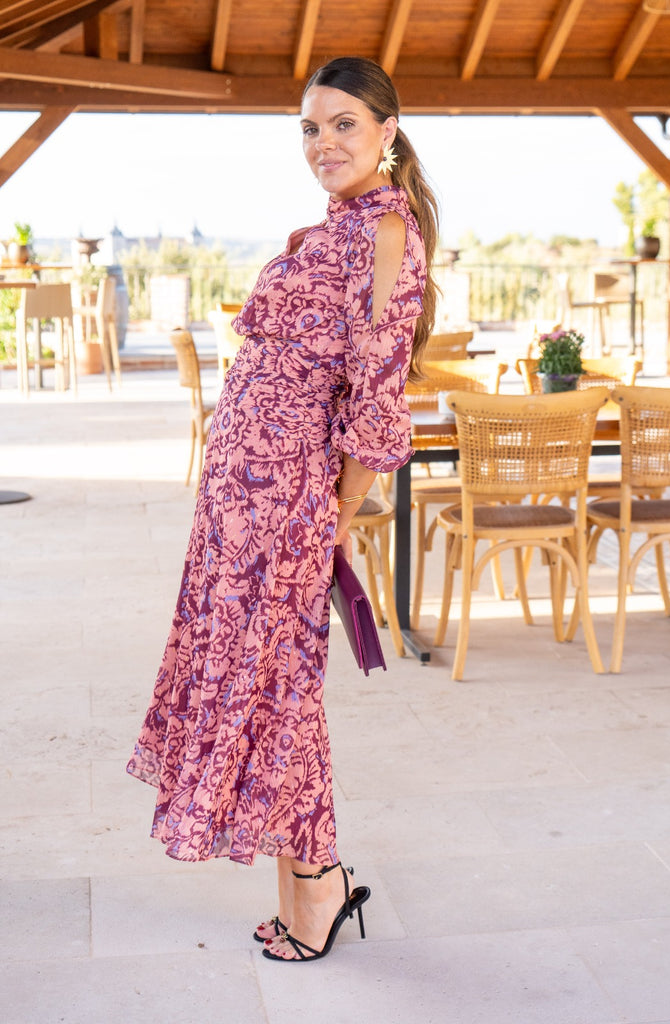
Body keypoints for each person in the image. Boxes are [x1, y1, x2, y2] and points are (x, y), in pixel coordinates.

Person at [126, 55, 439, 963]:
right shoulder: (335, 227)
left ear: (387, 130)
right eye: (310, 127)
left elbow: (379, 396)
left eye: (344, 124)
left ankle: (320, 884)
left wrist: (340, 510)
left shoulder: (389, 234)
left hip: (287, 501)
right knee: (263, 688)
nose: (323, 143)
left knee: (282, 692)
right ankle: (302, 887)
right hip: (239, 499)